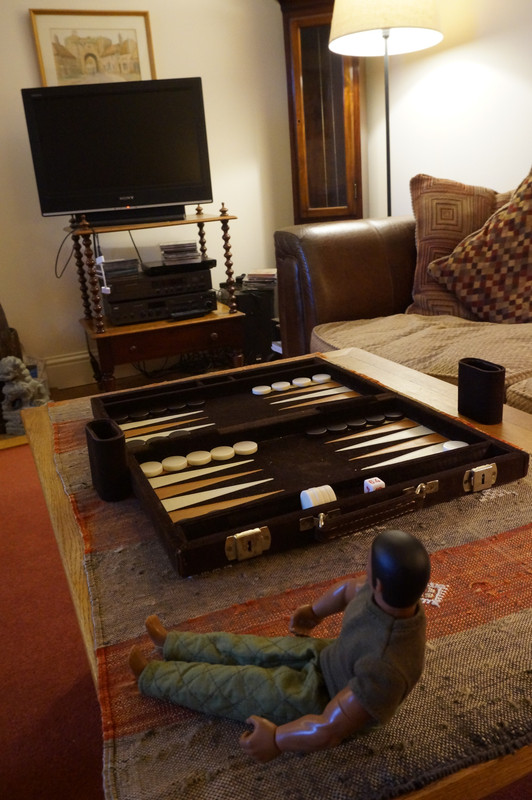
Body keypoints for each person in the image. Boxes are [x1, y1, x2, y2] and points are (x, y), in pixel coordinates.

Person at [129, 529, 431, 762]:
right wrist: (313, 612)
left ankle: (153, 677)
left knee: (241, 684)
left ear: (379, 583)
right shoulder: (382, 595)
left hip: (322, 697)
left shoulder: (385, 668)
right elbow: (348, 591)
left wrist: (277, 740)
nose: (363, 570)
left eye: (367, 567)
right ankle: (172, 643)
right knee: (250, 649)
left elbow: (329, 728)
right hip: (327, 655)